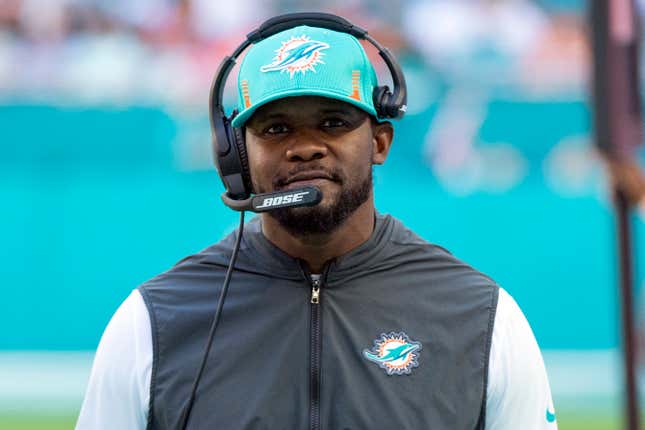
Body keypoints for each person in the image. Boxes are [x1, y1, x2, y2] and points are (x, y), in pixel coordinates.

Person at [76, 15, 557, 430]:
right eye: (276, 128)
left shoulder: (480, 316)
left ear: (380, 142)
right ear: (237, 156)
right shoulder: (155, 320)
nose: (305, 146)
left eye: (333, 122)